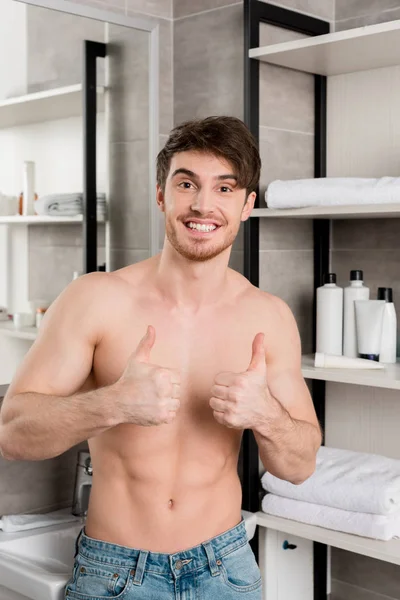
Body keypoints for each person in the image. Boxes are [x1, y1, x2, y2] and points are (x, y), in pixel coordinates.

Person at [0, 116, 321, 599]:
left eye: (225, 188)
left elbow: (300, 466)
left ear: (248, 205)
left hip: (226, 570)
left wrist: (265, 415)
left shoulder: (269, 318)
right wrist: (113, 404)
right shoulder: (95, 299)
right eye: (186, 183)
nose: (203, 205)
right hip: (115, 572)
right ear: (161, 196)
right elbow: (12, 435)